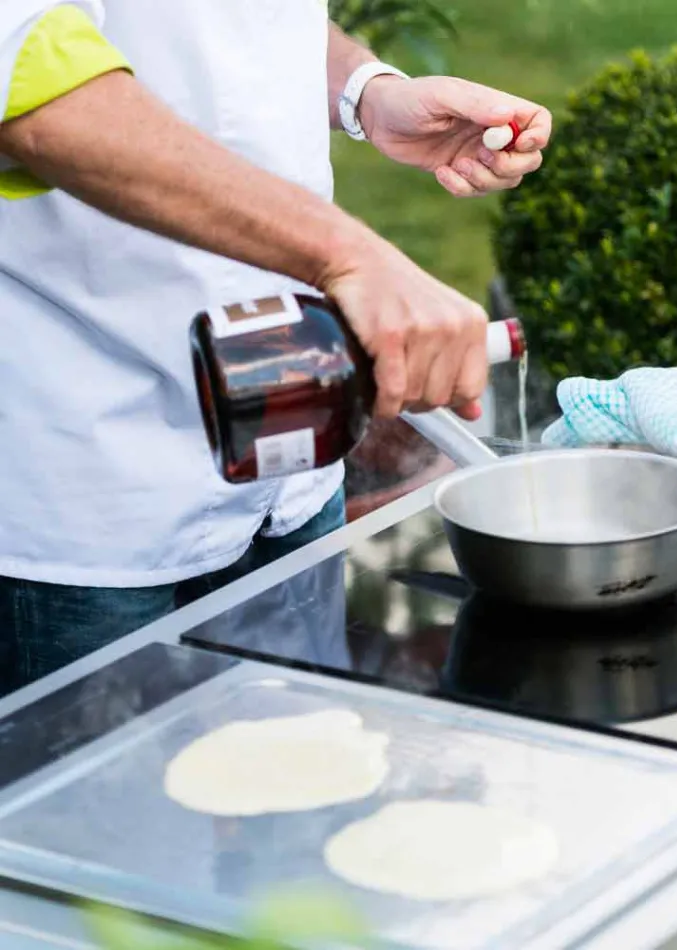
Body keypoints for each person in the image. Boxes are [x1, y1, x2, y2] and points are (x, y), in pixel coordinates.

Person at [0, 1, 552, 694]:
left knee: (311, 779)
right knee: (94, 799)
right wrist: (347, 254)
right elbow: (28, 84)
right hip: (89, 504)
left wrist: (366, 92)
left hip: (292, 469)